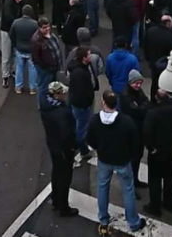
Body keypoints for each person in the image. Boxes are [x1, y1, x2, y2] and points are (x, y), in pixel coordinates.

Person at [87, 90, 147, 234]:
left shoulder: (95, 120)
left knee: (103, 188)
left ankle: (103, 219)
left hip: (104, 160)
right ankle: (133, 222)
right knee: (128, 190)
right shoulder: (126, 121)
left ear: (103, 102)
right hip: (122, 161)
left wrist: (98, 148)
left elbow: (90, 140)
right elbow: (134, 142)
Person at [39, 81, 80, 217]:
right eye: (62, 93)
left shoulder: (46, 103)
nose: (65, 95)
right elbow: (66, 134)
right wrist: (72, 148)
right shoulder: (61, 113)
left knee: (56, 173)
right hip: (63, 149)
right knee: (65, 177)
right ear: (56, 95)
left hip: (53, 144)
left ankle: (56, 199)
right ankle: (63, 206)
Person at [143, 89, 172, 216]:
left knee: (155, 179)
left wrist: (150, 148)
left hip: (157, 152)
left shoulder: (152, 113)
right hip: (171, 149)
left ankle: (155, 207)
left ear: (157, 98)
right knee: (169, 177)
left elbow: (146, 133)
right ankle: (169, 203)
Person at [121, 70, 151, 192]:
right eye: (136, 83)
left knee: (137, 157)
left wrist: (141, 107)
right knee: (132, 159)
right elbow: (136, 110)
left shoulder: (137, 92)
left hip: (139, 129)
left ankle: (135, 180)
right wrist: (142, 107)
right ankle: (131, 185)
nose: (138, 86)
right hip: (131, 131)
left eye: (140, 83)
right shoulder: (125, 95)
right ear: (130, 82)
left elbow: (146, 102)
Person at [67, 46, 99, 160]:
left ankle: (82, 144)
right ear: (84, 58)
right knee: (82, 128)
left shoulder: (84, 66)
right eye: (89, 54)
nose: (92, 56)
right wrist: (86, 104)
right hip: (82, 105)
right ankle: (83, 150)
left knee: (82, 125)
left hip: (84, 102)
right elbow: (80, 93)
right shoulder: (79, 73)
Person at [145, 15, 172, 101]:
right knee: (164, 84)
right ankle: (162, 100)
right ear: (168, 23)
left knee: (154, 83)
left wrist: (148, 58)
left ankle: (153, 99)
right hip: (165, 64)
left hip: (152, 62)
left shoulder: (150, 31)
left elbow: (145, 46)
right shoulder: (171, 36)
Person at [10, 4, 39, 94]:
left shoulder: (16, 22)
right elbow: (38, 37)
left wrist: (16, 44)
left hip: (19, 48)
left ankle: (18, 87)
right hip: (31, 50)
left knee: (19, 68)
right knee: (32, 68)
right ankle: (32, 88)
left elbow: (11, 35)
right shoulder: (35, 24)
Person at [31, 17, 65, 95]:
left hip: (54, 68)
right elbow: (36, 58)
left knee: (54, 88)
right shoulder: (36, 40)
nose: (47, 29)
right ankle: (42, 105)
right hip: (45, 70)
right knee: (43, 88)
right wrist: (45, 67)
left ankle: (52, 102)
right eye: (44, 28)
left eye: (48, 26)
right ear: (39, 28)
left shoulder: (51, 35)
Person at [0, 0, 25, 87]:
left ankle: (12, 71)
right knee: (6, 54)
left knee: (14, 53)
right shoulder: (8, 2)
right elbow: (8, 16)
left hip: (14, 31)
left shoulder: (19, 3)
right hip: (7, 30)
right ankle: (5, 76)